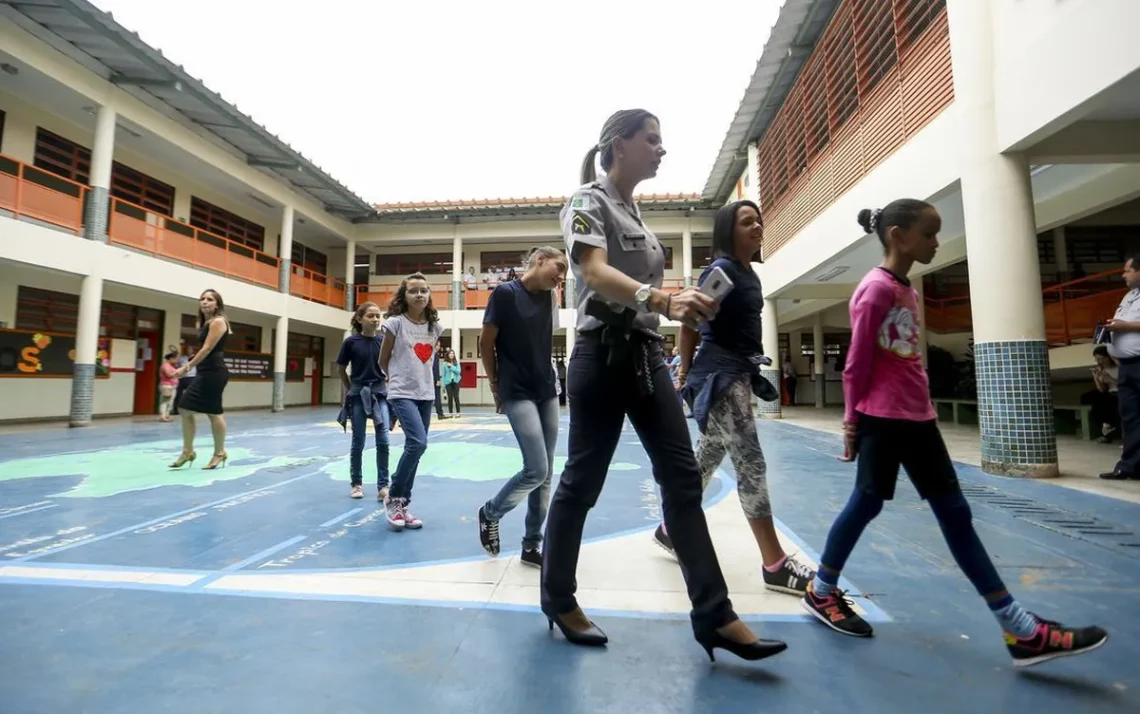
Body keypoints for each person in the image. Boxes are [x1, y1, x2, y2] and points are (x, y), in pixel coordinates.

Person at [802, 199, 1108, 667]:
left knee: (954, 512)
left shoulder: (909, 289)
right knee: (866, 503)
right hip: (883, 419)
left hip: (918, 418)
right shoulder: (874, 290)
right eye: (929, 234)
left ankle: (1019, 629)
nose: (936, 242)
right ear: (898, 236)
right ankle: (822, 590)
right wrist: (851, 421)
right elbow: (856, 363)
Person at [539, 108, 786, 663]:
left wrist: (681, 304)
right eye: (651, 139)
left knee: (681, 480)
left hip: (647, 355)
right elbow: (595, 273)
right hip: (602, 356)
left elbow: (641, 287)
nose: (660, 148)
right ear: (618, 145)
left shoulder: (638, 215)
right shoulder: (587, 202)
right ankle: (557, 597)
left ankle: (715, 615)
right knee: (582, 482)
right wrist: (661, 299)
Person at [657, 200, 814, 596]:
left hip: (737, 373)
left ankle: (670, 528)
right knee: (751, 464)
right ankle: (774, 564)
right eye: (747, 222)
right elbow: (692, 320)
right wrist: (685, 370)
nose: (757, 226)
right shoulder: (723, 271)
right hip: (719, 376)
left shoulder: (749, 275)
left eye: (759, 219)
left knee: (708, 455)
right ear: (729, 231)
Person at [477, 246, 568, 567]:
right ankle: (491, 512)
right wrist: (494, 385)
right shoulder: (504, 294)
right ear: (540, 260)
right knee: (536, 468)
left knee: (546, 475)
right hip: (516, 390)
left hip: (547, 389)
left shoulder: (549, 297)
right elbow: (485, 342)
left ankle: (532, 545)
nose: (562, 277)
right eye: (559, 268)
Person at [380, 273, 443, 531]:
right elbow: (382, 359)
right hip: (401, 392)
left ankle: (403, 504)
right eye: (413, 291)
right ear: (403, 296)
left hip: (426, 393)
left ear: (429, 295)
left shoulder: (435, 327)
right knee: (418, 442)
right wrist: (392, 380)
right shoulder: (395, 323)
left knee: (416, 449)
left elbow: (427, 360)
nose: (419, 294)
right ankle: (394, 496)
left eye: (424, 290)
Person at [169, 289, 231, 470]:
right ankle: (188, 451)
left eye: (209, 299)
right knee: (185, 408)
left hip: (214, 372)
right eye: (202, 299)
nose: (204, 302)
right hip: (205, 372)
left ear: (217, 304)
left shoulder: (218, 322)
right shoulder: (207, 323)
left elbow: (207, 349)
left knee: (213, 412)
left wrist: (186, 367)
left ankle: (219, 453)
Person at [335, 301, 391, 501]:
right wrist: (350, 389)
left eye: (378, 315)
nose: (376, 319)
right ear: (360, 319)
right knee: (358, 440)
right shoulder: (351, 342)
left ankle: (383, 485)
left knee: (383, 439)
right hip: (358, 394)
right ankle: (356, 483)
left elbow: (390, 364)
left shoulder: (384, 340)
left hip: (380, 394)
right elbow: (341, 368)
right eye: (371, 316)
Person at [1101, 255, 1140, 480]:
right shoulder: (1129, 296)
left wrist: (1126, 326)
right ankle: (1130, 466)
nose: (1124, 275)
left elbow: (1128, 326)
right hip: (1127, 365)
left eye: (1127, 270)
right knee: (1130, 416)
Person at [1082, 345, 1120, 443]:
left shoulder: (1119, 367)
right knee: (1092, 398)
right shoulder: (1100, 369)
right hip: (1110, 394)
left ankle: (1109, 428)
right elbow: (1101, 390)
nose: (1100, 361)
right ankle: (1107, 426)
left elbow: (1125, 385)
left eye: (1103, 358)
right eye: (1097, 359)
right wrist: (1096, 378)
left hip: (1121, 392)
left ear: (1109, 357)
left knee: (1110, 402)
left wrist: (1110, 378)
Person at [158, 352, 179, 422]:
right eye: (175, 359)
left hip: (173, 386)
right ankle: (163, 416)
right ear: (171, 359)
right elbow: (168, 375)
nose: (176, 361)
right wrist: (177, 373)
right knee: (165, 401)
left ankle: (167, 415)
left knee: (170, 402)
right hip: (166, 385)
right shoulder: (165, 366)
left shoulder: (171, 366)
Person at [441, 349, 462, 417]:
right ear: (448, 355)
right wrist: (443, 385)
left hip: (456, 381)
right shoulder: (444, 364)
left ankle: (458, 412)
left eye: (453, 353)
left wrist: (451, 367)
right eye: (450, 353)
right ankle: (450, 413)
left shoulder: (456, 362)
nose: (452, 354)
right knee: (450, 398)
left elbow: (458, 371)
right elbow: (443, 375)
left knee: (456, 397)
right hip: (448, 382)